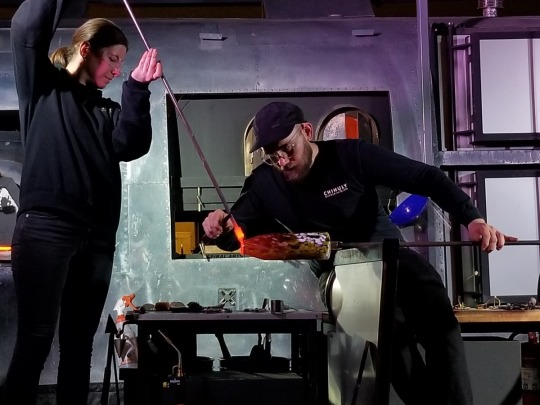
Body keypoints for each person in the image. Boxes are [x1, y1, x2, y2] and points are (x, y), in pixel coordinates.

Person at [202, 101, 517, 404]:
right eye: (273, 157)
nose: (282, 162)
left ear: (307, 131)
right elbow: (235, 235)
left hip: (388, 257)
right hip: (337, 274)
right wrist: (219, 226)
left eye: (288, 149)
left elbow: (426, 178)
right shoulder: (264, 184)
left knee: (438, 317)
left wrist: (472, 219)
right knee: (389, 334)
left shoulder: (351, 156)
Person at [2, 0, 162, 403]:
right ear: (87, 49)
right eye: (113, 59)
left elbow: (131, 144)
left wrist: (137, 88)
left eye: (121, 63)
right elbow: (26, 29)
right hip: (46, 230)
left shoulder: (108, 111)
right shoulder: (44, 87)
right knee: (36, 339)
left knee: (79, 345)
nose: (117, 69)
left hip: (96, 240)